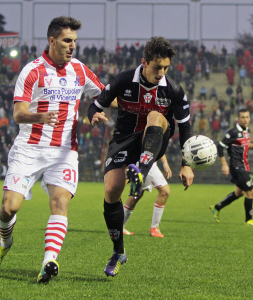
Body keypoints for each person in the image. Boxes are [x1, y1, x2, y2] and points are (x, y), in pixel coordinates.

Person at [0, 16, 104, 283]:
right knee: (9, 208)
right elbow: (18, 114)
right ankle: (5, 235)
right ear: (52, 40)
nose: (72, 47)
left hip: (64, 151)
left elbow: (103, 95)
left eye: (75, 42)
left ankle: (49, 261)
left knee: (60, 203)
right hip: (29, 149)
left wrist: (98, 110)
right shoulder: (32, 70)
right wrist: (40, 117)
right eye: (68, 41)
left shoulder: (80, 70)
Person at [88, 36, 194, 277]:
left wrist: (186, 165)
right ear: (144, 62)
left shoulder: (174, 90)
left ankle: (141, 173)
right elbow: (95, 105)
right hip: (124, 139)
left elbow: (186, 128)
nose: (161, 73)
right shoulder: (122, 80)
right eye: (157, 67)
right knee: (112, 191)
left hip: (156, 139)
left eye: (166, 68)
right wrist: (93, 115)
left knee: (156, 116)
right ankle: (118, 251)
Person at [209, 109, 253, 226]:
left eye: (247, 117)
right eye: (243, 117)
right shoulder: (233, 132)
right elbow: (220, 146)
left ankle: (217, 207)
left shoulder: (247, 130)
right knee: (251, 192)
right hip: (237, 166)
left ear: (250, 118)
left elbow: (246, 143)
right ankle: (249, 219)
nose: (245, 120)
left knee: (239, 193)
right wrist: (224, 164)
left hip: (244, 166)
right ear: (238, 119)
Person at [123, 155, 171, 238]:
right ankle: (154, 228)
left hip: (145, 162)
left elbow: (158, 145)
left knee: (137, 194)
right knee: (165, 192)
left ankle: (118, 226)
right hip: (147, 161)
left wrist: (165, 162)